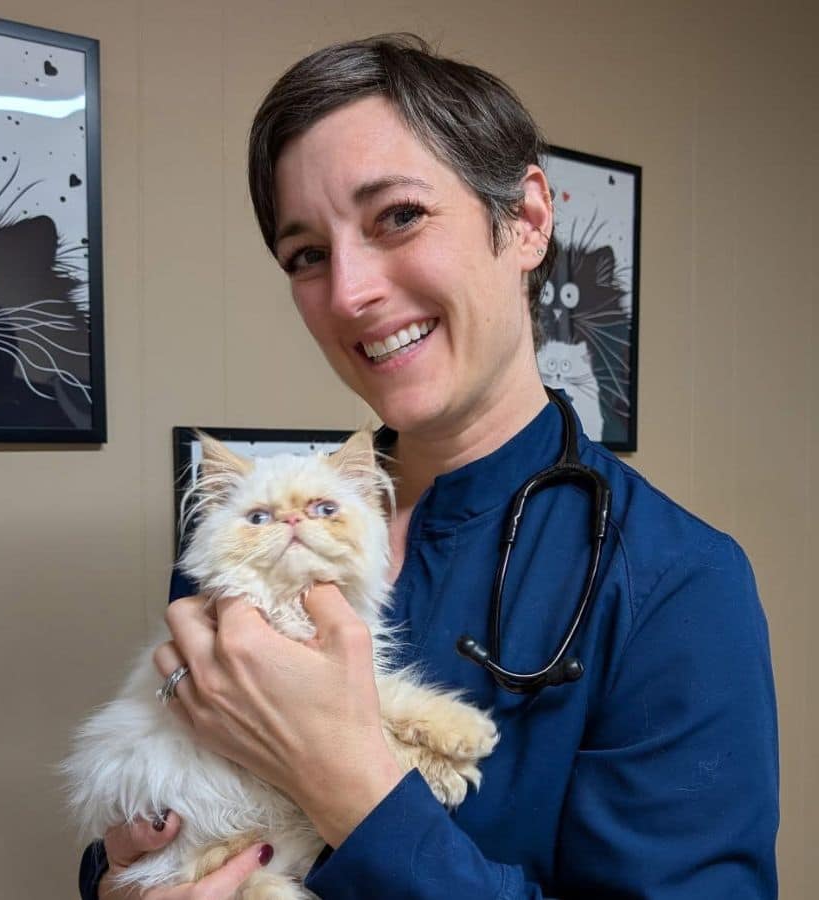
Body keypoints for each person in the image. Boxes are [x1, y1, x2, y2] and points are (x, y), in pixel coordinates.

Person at [79, 33, 779, 899]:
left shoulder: (679, 584)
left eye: (398, 217)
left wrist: (354, 791)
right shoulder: (250, 534)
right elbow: (166, 793)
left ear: (526, 221)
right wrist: (117, 875)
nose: (349, 293)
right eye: (307, 255)